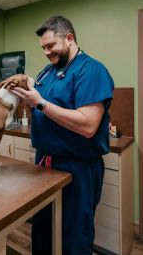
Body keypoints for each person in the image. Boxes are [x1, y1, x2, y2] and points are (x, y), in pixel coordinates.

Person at [11, 16, 114, 255]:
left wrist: (40, 103)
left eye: (51, 46)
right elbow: (39, 106)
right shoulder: (47, 72)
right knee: (42, 233)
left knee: (73, 238)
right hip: (44, 164)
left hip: (76, 168)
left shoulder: (92, 70)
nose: (46, 52)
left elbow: (88, 125)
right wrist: (28, 101)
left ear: (69, 38)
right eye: (43, 48)